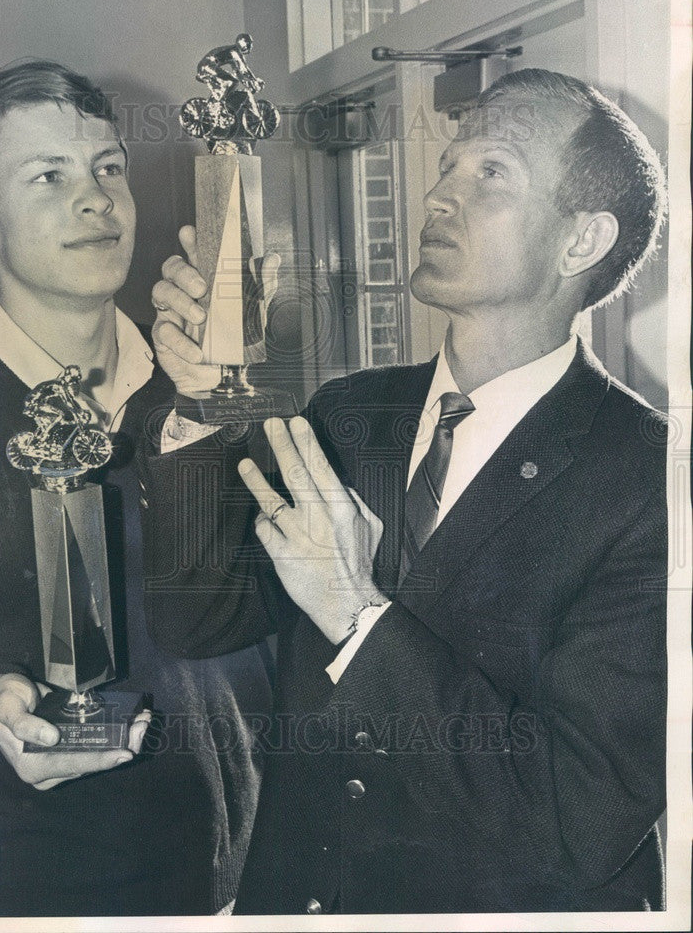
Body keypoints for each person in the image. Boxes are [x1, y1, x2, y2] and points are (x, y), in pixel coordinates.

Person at [141, 68, 668, 913]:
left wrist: (356, 613)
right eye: (447, 166)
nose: (439, 193)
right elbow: (199, 617)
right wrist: (202, 399)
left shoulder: (650, 479)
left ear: (582, 241)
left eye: (489, 171)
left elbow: (582, 817)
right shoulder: (351, 413)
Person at [0, 60, 273, 917]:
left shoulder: (200, 384)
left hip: (258, 866)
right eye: (49, 176)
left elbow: (264, 609)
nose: (97, 200)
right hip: (61, 889)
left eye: (110, 168)